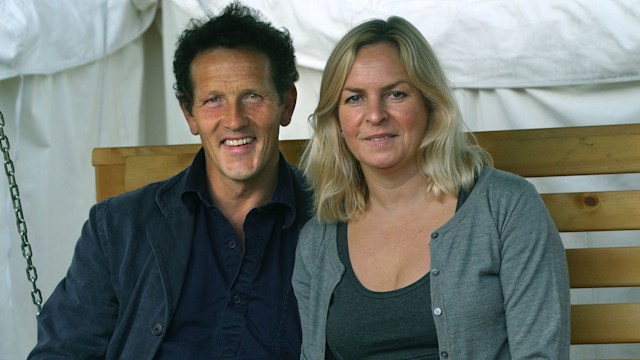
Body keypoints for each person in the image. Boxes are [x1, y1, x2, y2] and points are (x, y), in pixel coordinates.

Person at [29, 2, 311, 359]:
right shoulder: (117, 229)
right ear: (188, 113)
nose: (234, 120)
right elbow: (62, 353)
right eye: (213, 100)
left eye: (252, 96)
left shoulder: (335, 222)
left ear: (287, 104)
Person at [292, 16, 570, 359]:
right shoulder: (317, 242)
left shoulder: (505, 209)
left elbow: (540, 353)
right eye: (355, 98)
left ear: (429, 103)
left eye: (396, 94)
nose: (375, 115)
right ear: (336, 120)